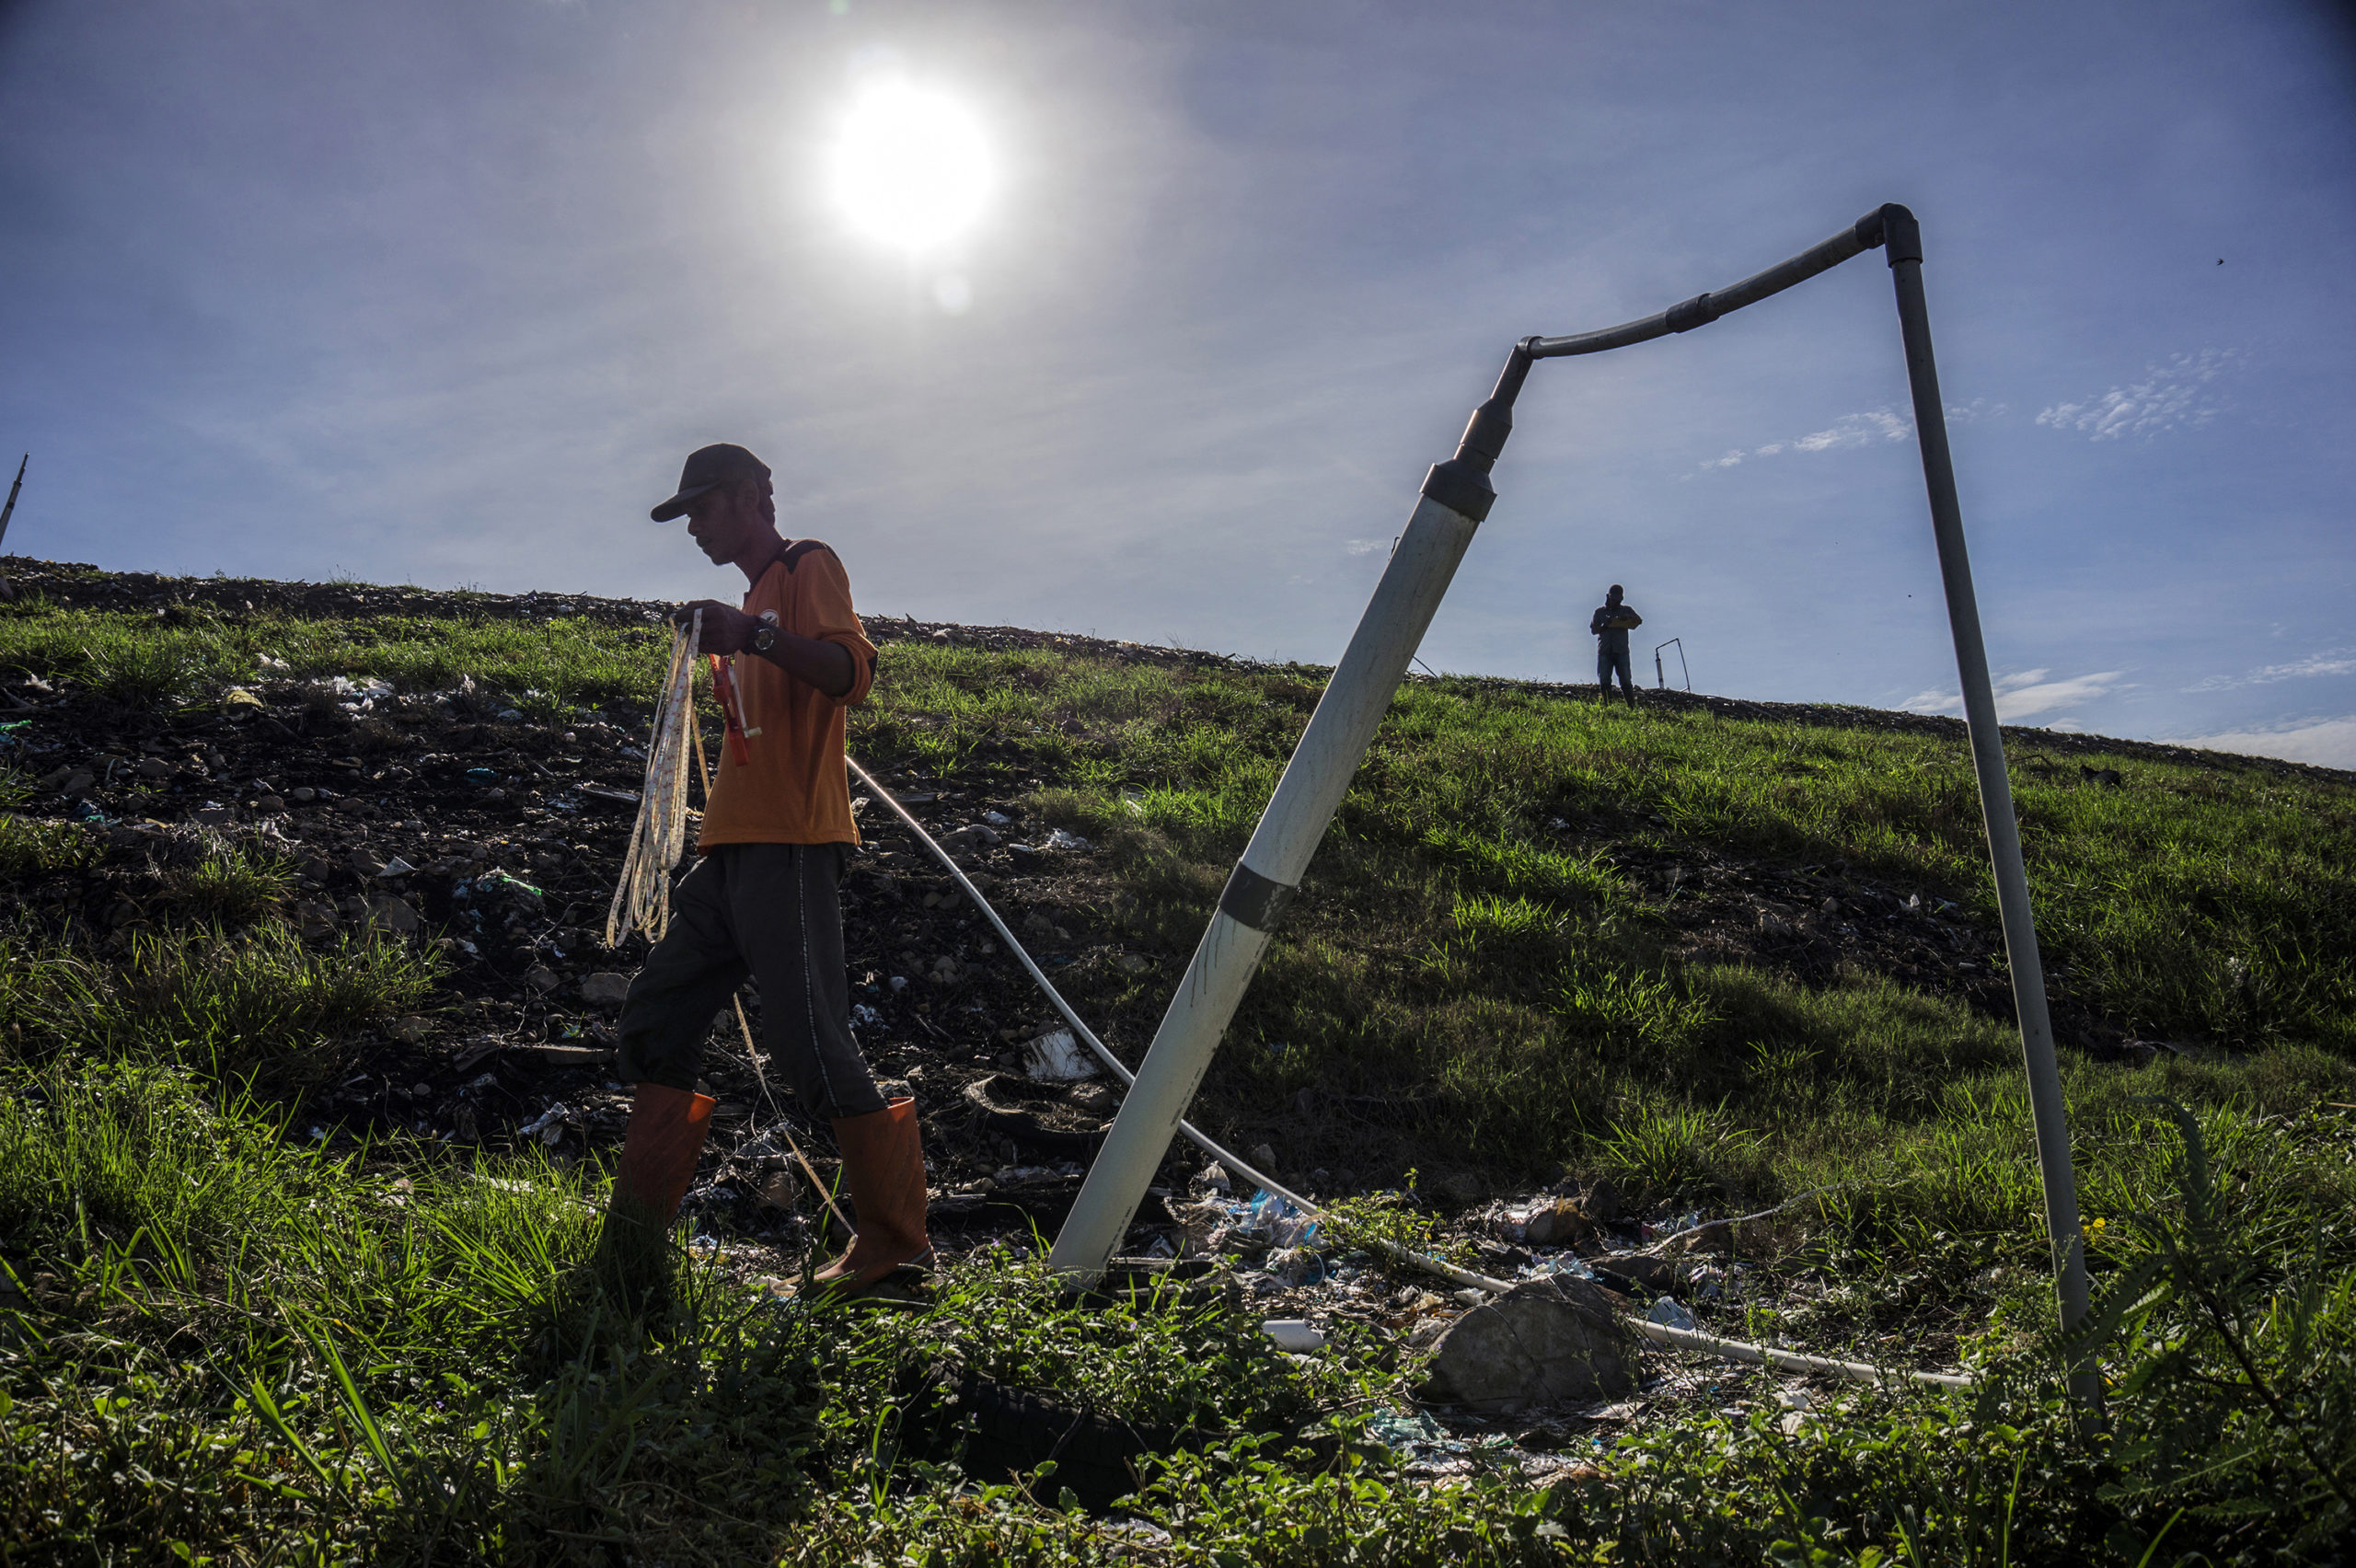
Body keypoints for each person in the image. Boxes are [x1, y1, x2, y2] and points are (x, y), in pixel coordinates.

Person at [599, 442, 927, 1298]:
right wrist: (741, 635)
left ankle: (895, 1249)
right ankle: (635, 1247)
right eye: (687, 515)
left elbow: (853, 673)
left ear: (751, 497)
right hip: (730, 853)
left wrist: (759, 634)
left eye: (702, 509)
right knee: (655, 1017)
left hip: (793, 847)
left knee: (814, 1048)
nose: (695, 527)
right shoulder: (748, 603)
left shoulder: (802, 567)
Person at [1588, 584, 1643, 708]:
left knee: (1626, 680)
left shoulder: (1626, 610)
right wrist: (1604, 626)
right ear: (1608, 597)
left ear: (1621, 599)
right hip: (1605, 651)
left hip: (1621, 651)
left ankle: (1631, 707)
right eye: (1613, 599)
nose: (1615, 602)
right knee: (1605, 680)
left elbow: (1638, 620)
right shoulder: (1600, 612)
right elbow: (1593, 630)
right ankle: (1608, 706)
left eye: (1618, 600)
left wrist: (1627, 618)